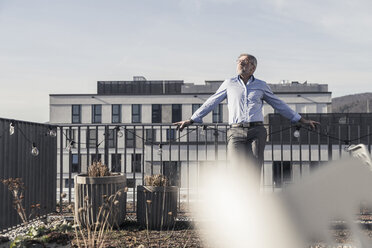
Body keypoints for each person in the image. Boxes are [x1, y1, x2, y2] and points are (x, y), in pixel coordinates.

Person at [174, 53, 319, 178]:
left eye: (245, 61)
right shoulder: (229, 83)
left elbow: (278, 104)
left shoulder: (261, 85)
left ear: (253, 67)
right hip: (235, 132)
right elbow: (211, 102)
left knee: (255, 169)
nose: (240, 63)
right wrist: (192, 119)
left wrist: (301, 120)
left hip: (257, 131)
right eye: (239, 61)